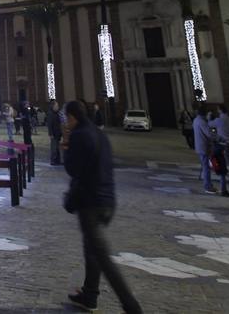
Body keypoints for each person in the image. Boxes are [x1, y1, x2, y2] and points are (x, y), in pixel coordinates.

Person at [62, 100, 142, 313]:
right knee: (92, 250)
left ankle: (130, 305)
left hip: (90, 202)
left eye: (66, 117)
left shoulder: (79, 135)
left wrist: (66, 147)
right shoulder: (100, 134)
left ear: (72, 117)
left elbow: (73, 169)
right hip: (107, 200)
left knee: (102, 256)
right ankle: (90, 294)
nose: (65, 122)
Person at [193, 107, 225, 196]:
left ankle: (207, 184)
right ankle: (208, 186)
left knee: (205, 166)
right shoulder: (202, 122)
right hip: (204, 147)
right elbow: (209, 133)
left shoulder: (196, 120)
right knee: (206, 167)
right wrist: (220, 138)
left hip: (200, 146)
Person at [47, 101, 64, 165]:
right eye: (56, 106)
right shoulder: (51, 114)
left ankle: (58, 160)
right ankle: (53, 160)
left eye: (58, 106)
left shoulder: (57, 113)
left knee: (57, 148)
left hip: (58, 133)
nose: (58, 107)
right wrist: (50, 134)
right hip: (54, 133)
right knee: (54, 148)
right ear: (53, 106)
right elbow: (49, 125)